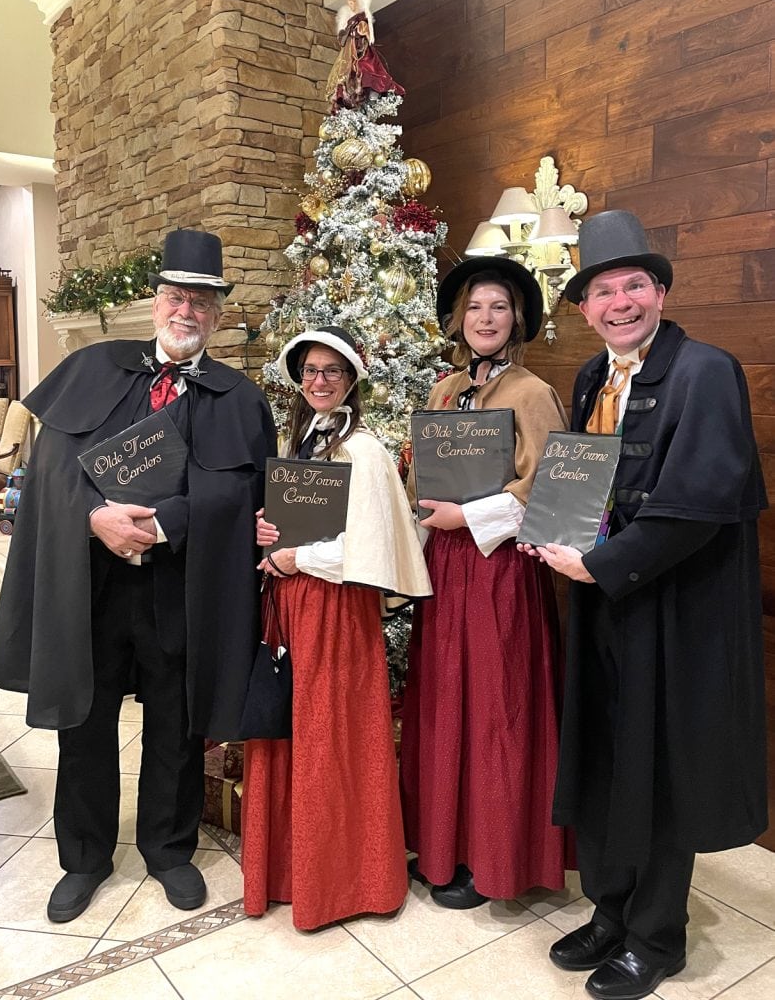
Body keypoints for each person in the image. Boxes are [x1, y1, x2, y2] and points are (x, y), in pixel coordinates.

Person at [0, 229, 276, 923]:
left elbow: (244, 495)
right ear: (155, 304)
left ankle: (169, 848)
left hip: (182, 584)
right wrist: (95, 519)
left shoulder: (239, 399)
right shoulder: (92, 369)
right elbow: (51, 477)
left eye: (201, 301)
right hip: (92, 585)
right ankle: (84, 856)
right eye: (176, 297)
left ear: (217, 314)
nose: (187, 311)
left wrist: (168, 521)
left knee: (176, 719)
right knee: (84, 718)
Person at [520, 210, 768, 1000]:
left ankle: (654, 935)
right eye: (602, 291)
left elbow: (697, 502)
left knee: (656, 767)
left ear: (658, 292)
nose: (618, 302)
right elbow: (583, 479)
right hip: (600, 598)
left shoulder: (705, 372)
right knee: (601, 753)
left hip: (669, 605)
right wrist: (553, 535)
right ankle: (609, 908)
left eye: (633, 285)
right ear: (585, 307)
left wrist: (600, 562)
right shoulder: (592, 376)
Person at [242, 325, 432, 930]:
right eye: (310, 372)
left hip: (336, 610)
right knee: (293, 730)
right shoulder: (301, 438)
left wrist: (301, 558)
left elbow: (369, 546)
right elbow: (297, 518)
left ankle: (349, 879)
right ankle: (290, 869)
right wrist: (269, 534)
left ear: (351, 379)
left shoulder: (365, 450)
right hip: (292, 602)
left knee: (331, 733)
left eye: (332, 371)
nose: (319, 381)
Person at [400, 257, 569, 909]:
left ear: (516, 317)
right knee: (446, 703)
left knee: (494, 709)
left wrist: (467, 516)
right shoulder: (444, 391)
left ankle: (491, 857)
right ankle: (444, 844)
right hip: (445, 568)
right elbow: (424, 477)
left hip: (498, 572)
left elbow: (550, 488)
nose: (485, 318)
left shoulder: (530, 393)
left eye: (497, 307)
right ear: (458, 319)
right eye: (474, 308)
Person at [325, 0, 405, 112]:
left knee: (365, 67)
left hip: (360, 49)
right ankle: (354, 94)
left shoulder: (361, 19)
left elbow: (365, 32)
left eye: (353, 3)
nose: (351, 6)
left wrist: (361, 34)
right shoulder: (351, 22)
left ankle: (369, 92)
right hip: (352, 50)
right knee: (350, 71)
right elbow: (344, 37)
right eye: (349, 4)